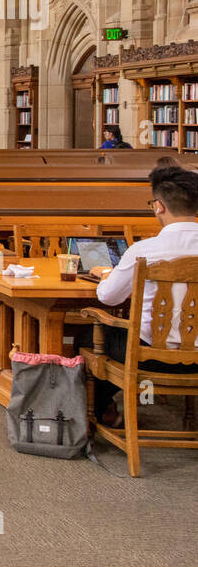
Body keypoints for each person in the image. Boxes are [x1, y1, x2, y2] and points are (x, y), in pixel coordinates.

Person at [84, 166, 198, 426]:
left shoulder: (143, 251)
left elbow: (108, 298)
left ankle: (100, 412)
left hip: (150, 356)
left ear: (158, 206)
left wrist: (106, 276)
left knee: (88, 337)